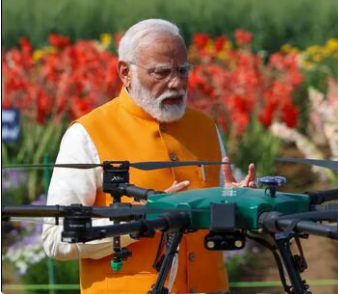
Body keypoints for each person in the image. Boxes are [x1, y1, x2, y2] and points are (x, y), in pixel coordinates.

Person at [41, 19, 255, 294]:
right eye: (161, 72)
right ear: (125, 72)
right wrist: (144, 220)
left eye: (183, 70)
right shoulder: (87, 133)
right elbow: (56, 238)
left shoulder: (205, 126)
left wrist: (241, 200)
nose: (176, 83)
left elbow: (218, 211)